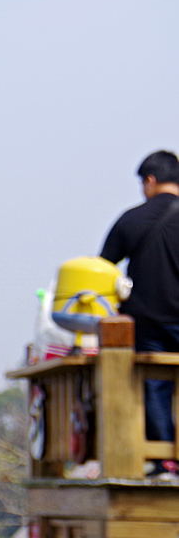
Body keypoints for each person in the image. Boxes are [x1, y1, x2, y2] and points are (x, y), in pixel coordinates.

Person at [101, 150, 179, 478]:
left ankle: (165, 461)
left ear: (150, 181)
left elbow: (102, 269)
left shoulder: (132, 219)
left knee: (155, 386)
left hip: (148, 322)